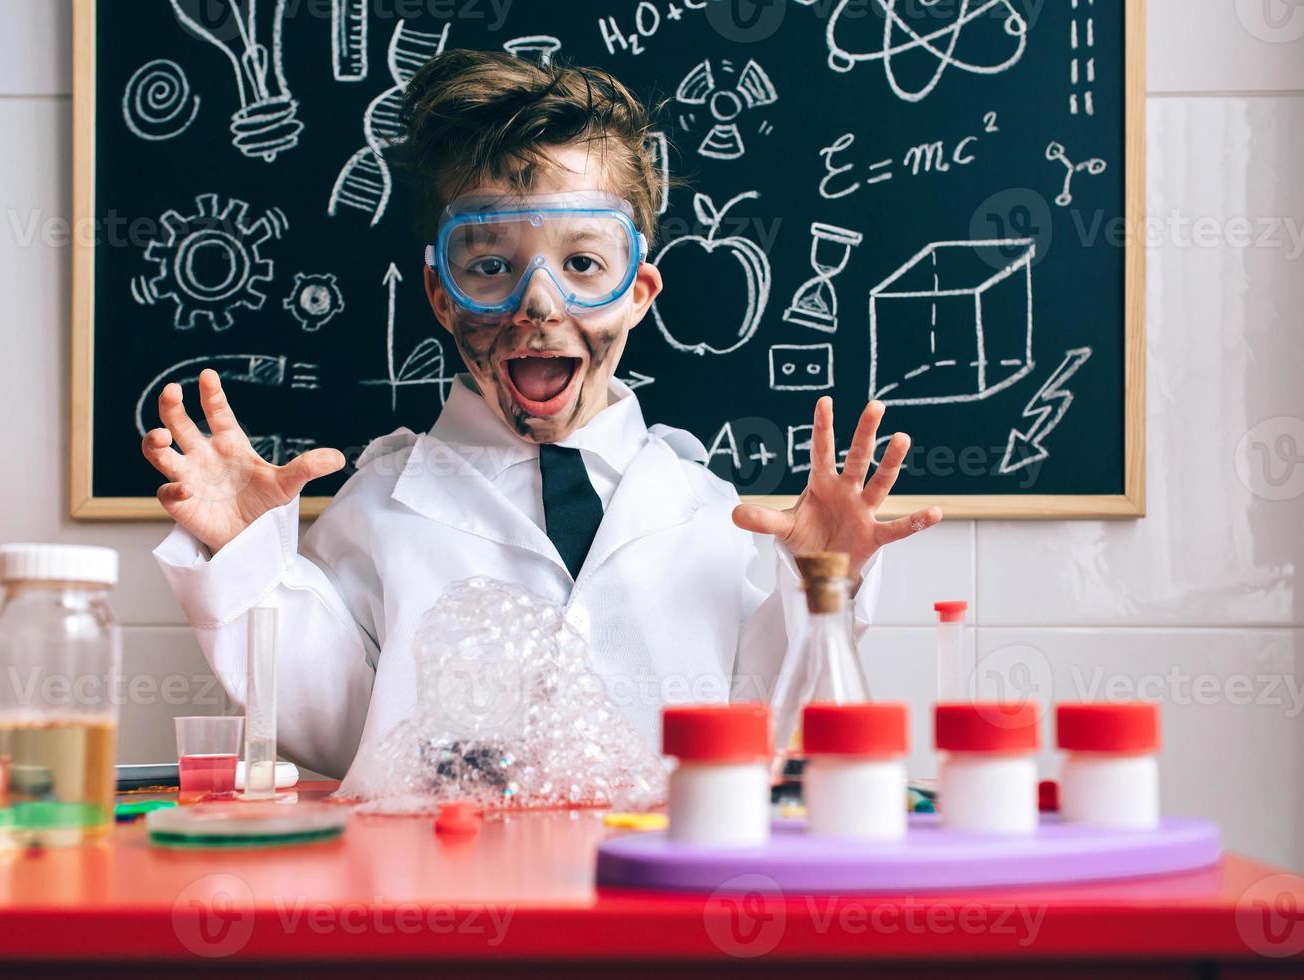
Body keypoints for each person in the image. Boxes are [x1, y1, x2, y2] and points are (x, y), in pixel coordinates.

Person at [145, 50, 942, 791]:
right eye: (488, 265)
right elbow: (330, 729)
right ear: (439, 296)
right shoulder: (380, 508)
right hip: (439, 909)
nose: (538, 302)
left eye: (584, 263)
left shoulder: (708, 512)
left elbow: (760, 726)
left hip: (658, 907)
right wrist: (245, 554)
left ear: (638, 291)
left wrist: (819, 583)